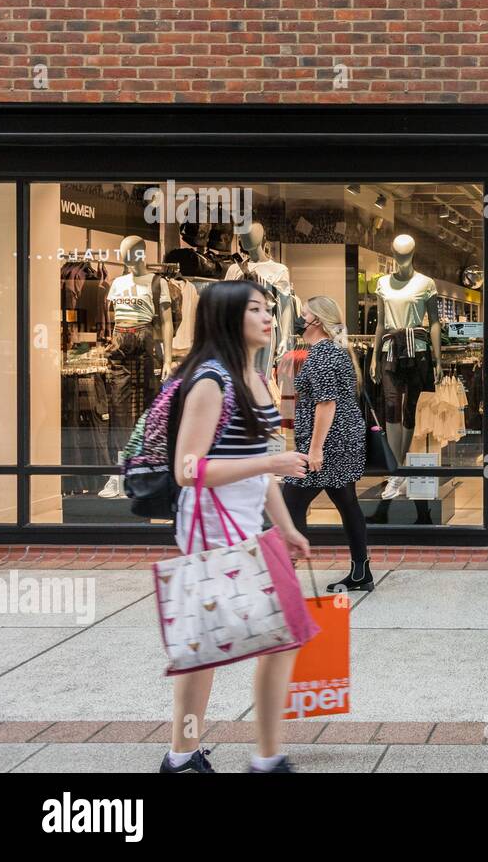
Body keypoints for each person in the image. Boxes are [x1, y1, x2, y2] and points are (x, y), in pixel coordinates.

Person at [161, 280, 312, 774]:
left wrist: (286, 525)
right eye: (256, 310)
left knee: (282, 635)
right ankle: (187, 755)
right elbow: (189, 469)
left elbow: (258, 460)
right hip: (210, 529)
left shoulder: (255, 376)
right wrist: (276, 462)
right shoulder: (211, 381)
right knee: (204, 652)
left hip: (250, 526)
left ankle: (266, 757)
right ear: (228, 318)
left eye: (269, 309)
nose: (269, 317)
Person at [283, 295, 372, 593]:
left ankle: (288, 570)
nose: (299, 319)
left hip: (329, 444)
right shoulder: (337, 350)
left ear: (317, 321)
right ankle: (361, 571)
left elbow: (326, 404)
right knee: (347, 502)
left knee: (291, 500)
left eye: (304, 314)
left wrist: (315, 449)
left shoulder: (322, 354)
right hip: (344, 439)